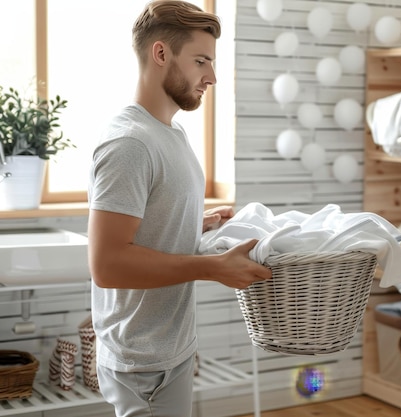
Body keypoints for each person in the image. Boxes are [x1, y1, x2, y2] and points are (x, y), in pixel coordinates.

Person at [87, 1, 272, 416]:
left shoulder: (173, 134)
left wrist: (197, 224)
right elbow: (108, 264)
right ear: (160, 54)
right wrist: (212, 267)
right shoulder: (129, 143)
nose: (213, 76)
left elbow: (148, 226)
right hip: (141, 362)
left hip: (172, 349)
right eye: (201, 61)